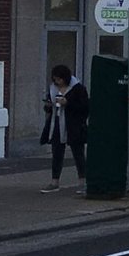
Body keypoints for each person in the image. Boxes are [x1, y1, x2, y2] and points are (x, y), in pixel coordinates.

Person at [39, 64, 89, 192]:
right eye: (55, 79)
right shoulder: (53, 89)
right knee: (57, 153)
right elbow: (50, 106)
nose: (57, 82)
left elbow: (84, 108)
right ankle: (54, 181)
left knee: (78, 153)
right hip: (56, 123)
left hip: (73, 125)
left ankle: (83, 181)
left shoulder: (78, 89)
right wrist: (49, 106)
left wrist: (68, 103)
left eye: (59, 79)